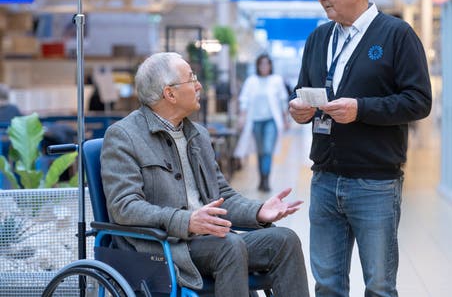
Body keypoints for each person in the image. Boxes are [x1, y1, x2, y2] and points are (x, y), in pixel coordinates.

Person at [100, 52, 309, 297]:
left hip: (209, 243)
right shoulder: (124, 136)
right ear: (170, 93)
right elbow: (124, 207)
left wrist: (258, 211)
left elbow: (222, 196)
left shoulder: (197, 134)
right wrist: (185, 221)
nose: (199, 85)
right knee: (229, 246)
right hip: (161, 247)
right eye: (191, 79)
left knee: (284, 240)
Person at [289, 0, 432, 297]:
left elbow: (419, 101)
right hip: (324, 179)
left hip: (375, 183)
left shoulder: (397, 35)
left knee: (380, 285)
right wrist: (298, 109)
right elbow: (302, 91)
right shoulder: (318, 39)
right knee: (326, 285)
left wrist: (361, 109)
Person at [234, 54, 289, 192]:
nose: (264, 67)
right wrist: (242, 116)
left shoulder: (276, 80)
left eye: (267, 64)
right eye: (261, 64)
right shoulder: (251, 81)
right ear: (257, 66)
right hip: (255, 121)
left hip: (271, 121)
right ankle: (261, 179)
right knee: (260, 152)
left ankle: (266, 180)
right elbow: (244, 100)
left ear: (270, 65)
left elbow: (283, 100)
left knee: (267, 150)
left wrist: (285, 119)